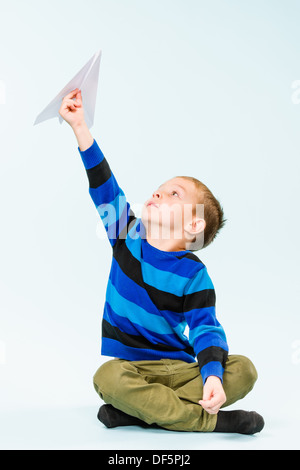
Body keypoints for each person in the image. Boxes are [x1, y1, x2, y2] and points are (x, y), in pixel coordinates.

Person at [59, 88, 264, 434]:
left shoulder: (193, 274)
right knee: (107, 377)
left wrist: (212, 375)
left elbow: (205, 327)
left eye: (174, 194)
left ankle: (138, 413)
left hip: (182, 369)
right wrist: (79, 126)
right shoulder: (126, 233)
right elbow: (104, 187)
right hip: (135, 370)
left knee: (244, 369)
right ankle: (208, 421)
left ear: (193, 224)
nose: (158, 193)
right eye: (160, 188)